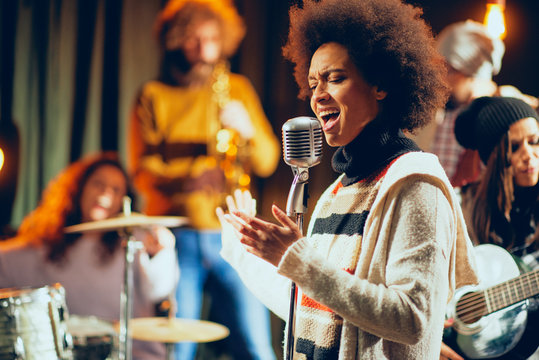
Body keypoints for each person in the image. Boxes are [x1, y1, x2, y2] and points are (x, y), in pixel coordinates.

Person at [216, 0, 479, 358]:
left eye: (335, 78)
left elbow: (412, 319)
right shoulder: (337, 192)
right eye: (312, 84)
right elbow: (310, 309)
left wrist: (300, 261)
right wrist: (242, 251)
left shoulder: (416, 184)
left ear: (380, 85)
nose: (317, 95)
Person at [127, 0, 280, 359]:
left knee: (257, 346)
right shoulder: (153, 96)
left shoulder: (237, 89)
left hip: (235, 233)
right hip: (178, 235)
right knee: (180, 348)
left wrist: (248, 130)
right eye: (193, 39)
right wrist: (192, 178)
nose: (204, 49)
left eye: (212, 38)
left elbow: (269, 160)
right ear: (175, 40)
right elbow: (142, 172)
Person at [0, 152, 179, 360]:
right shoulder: (48, 245)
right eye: (98, 184)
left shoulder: (134, 239)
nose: (105, 193)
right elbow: (8, 260)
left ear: (124, 200)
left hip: (132, 352)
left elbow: (158, 291)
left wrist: (163, 252)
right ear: (79, 189)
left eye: (115, 189)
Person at [441, 96, 539, 360]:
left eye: (534, 141)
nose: (528, 155)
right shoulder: (459, 205)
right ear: (493, 157)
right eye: (514, 147)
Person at [409, 20, 538, 188]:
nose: (439, 79)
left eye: (447, 70)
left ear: (470, 70)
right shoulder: (435, 113)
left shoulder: (516, 112)